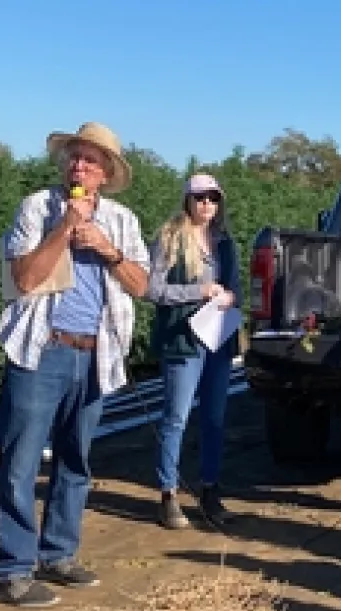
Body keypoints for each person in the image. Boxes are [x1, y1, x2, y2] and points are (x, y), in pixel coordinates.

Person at [0, 122, 151, 607]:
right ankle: (12, 570)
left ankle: (58, 553)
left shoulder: (122, 220)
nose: (80, 166)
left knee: (76, 461)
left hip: (95, 353)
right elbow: (23, 277)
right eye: (75, 158)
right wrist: (64, 229)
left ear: (106, 174)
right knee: (19, 463)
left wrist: (106, 248)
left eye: (91, 161)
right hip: (43, 350)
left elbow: (142, 285)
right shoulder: (38, 208)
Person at [142, 174, 242, 529]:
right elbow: (151, 289)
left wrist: (230, 298)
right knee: (177, 418)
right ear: (187, 200)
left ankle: (210, 489)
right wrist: (197, 292)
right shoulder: (169, 239)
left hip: (217, 339)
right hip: (182, 341)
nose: (207, 204)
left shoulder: (226, 244)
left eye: (213, 198)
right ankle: (168, 492)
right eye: (200, 197)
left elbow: (236, 290)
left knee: (214, 419)